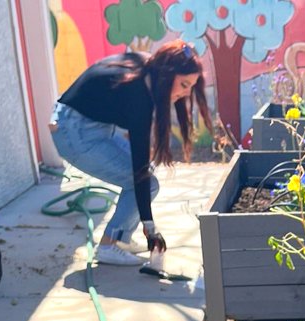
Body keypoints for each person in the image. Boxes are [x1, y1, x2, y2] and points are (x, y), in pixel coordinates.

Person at [50, 40, 213, 265]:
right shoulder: (139, 96)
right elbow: (139, 170)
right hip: (74, 133)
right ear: (167, 76)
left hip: (87, 123)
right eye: (184, 85)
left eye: (191, 87)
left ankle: (120, 238)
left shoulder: (148, 68)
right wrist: (150, 226)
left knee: (147, 174)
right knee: (147, 182)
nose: (186, 94)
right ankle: (108, 245)